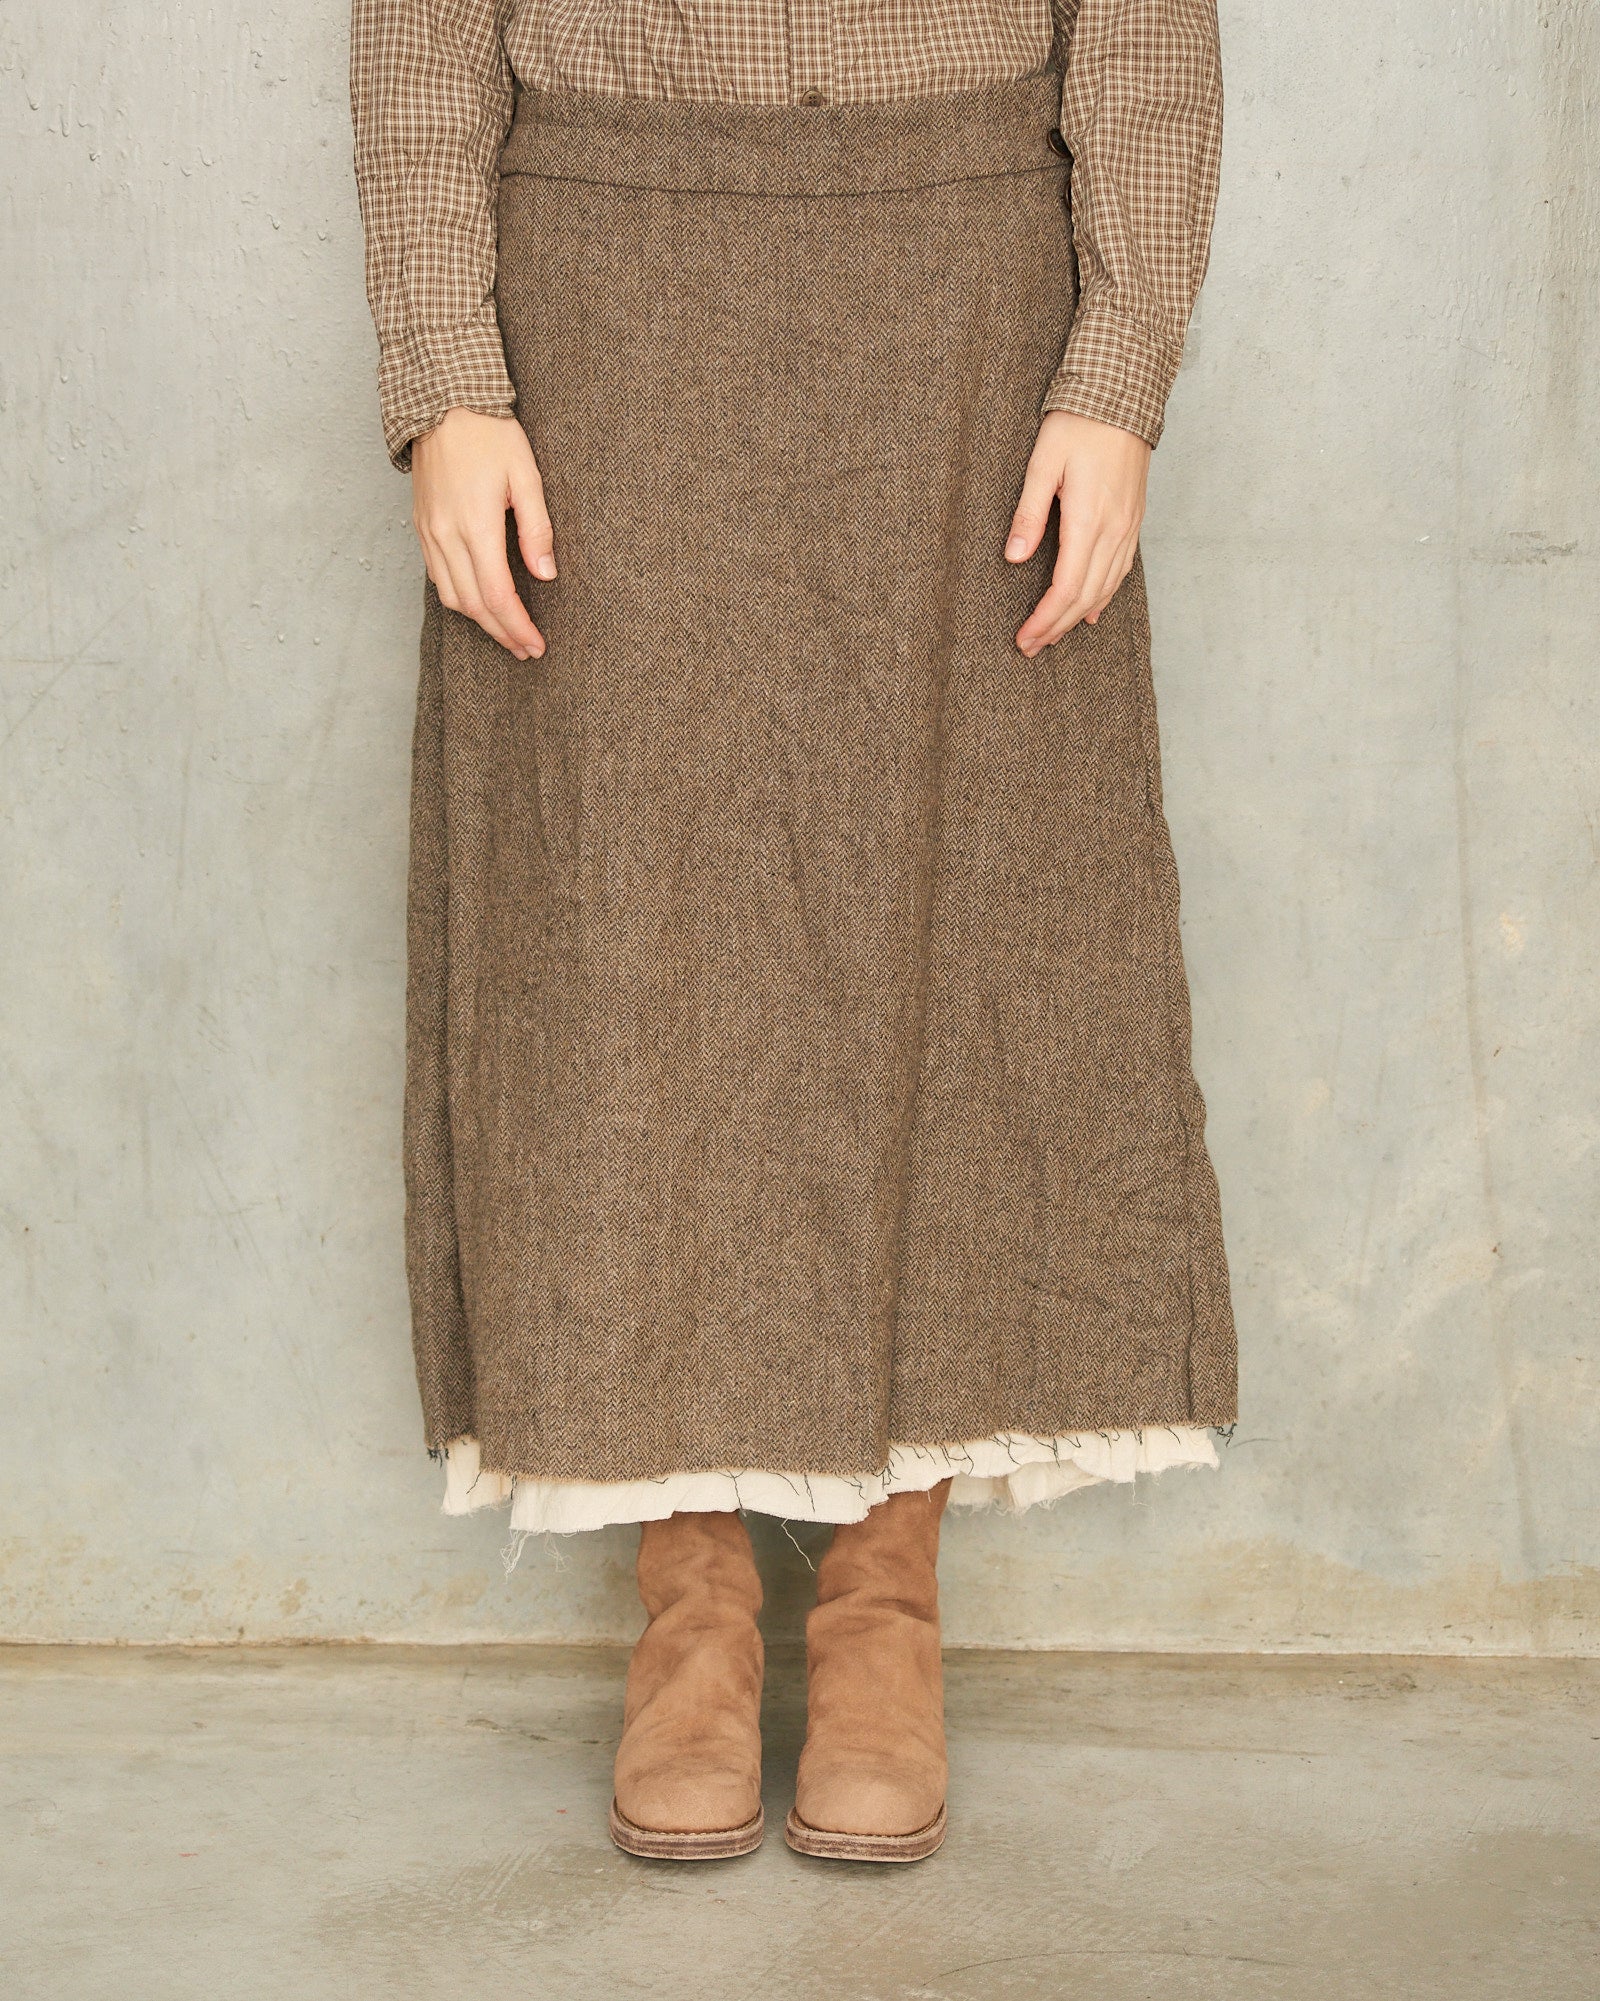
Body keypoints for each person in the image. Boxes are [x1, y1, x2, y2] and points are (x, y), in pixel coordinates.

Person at [349, 0, 1236, 1865]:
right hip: (599, 293)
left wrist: (1118, 366)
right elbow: (421, 26)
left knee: (964, 929)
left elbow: (1147, 23)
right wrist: (444, 373)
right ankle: (691, 1601)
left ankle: (882, 1599)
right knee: (621, 953)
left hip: (967, 292)